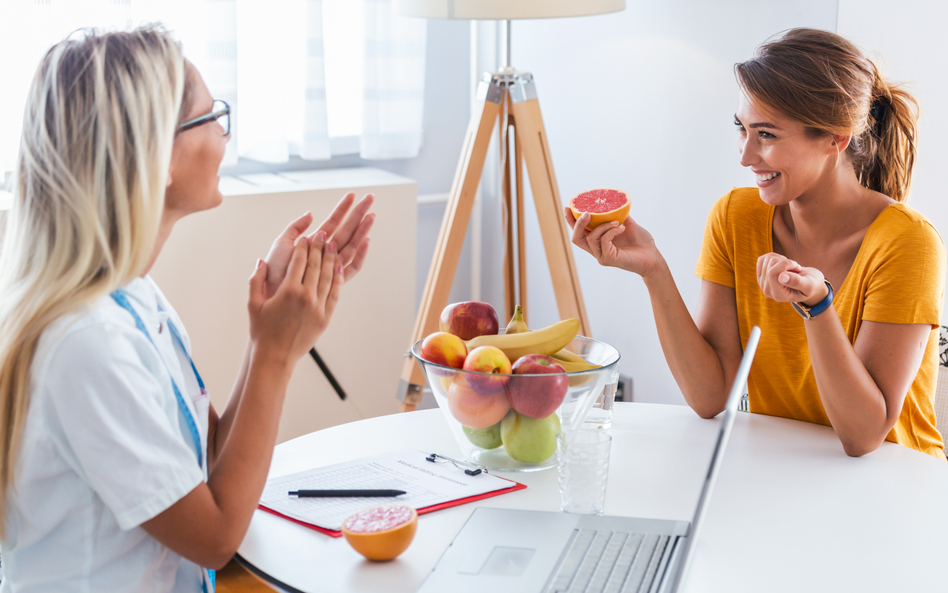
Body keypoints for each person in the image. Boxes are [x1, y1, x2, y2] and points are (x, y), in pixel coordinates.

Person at [0, 27, 375, 591]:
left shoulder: (133, 295)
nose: (224, 134)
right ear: (156, 151)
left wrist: (269, 337)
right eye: (211, 116)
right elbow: (215, 538)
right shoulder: (87, 343)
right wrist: (275, 353)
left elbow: (206, 469)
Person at [566, 28, 946, 460]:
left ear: (835, 139)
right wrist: (654, 270)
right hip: (782, 467)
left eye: (766, 135)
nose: (745, 156)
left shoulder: (908, 243)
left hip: (899, 482)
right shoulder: (735, 217)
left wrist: (819, 307)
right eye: (741, 129)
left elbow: (863, 435)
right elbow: (711, 397)